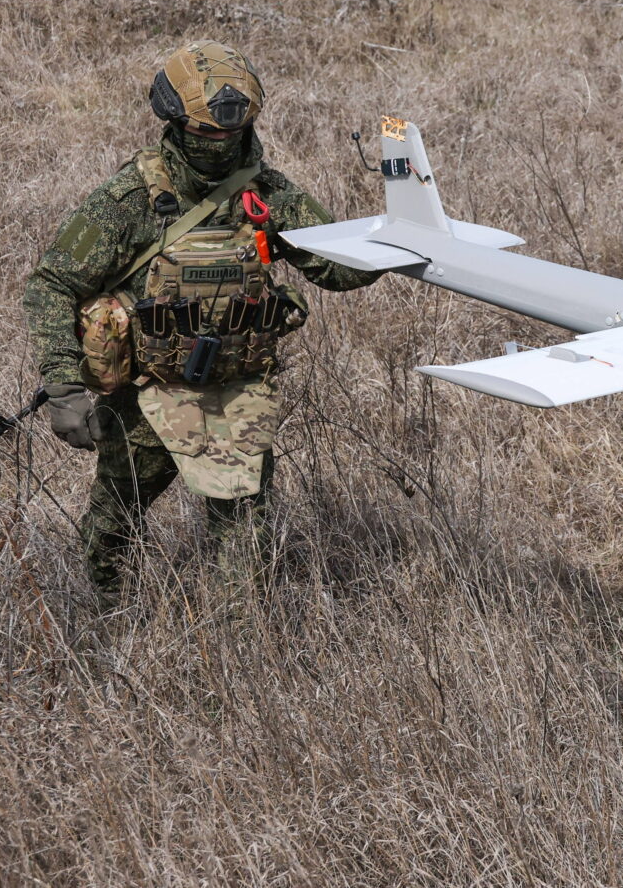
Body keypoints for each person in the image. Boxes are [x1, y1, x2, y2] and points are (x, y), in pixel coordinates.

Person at [24, 40, 387, 614]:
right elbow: (52, 284)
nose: (220, 144)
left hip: (237, 396)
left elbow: (338, 272)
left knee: (245, 543)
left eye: (231, 133)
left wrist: (394, 239)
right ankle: (101, 632)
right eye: (206, 133)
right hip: (148, 396)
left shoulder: (267, 192)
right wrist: (65, 386)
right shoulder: (131, 199)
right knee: (113, 527)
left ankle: (237, 663)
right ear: (174, 120)